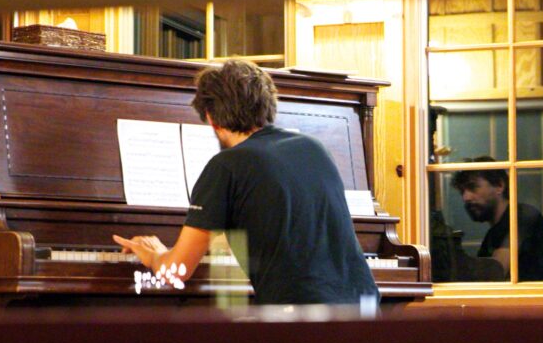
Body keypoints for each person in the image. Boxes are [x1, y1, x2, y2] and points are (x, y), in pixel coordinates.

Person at [113, 59, 379, 307]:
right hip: (364, 309)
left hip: (303, 323)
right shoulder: (314, 148)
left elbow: (176, 274)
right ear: (268, 104)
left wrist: (154, 253)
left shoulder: (226, 165)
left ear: (211, 118)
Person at [451, 157, 543, 281]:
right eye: (462, 191)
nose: (466, 197)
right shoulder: (492, 235)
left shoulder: (523, 216)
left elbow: (496, 271)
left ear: (500, 185)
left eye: (472, 187)